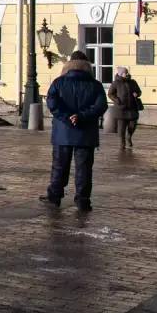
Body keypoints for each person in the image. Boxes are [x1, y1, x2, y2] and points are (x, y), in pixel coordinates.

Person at [39, 51, 108, 212]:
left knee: (59, 166)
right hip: (86, 133)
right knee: (84, 169)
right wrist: (81, 116)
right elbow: (101, 106)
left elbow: (52, 103)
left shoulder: (58, 82)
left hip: (63, 132)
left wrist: (67, 117)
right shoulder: (95, 85)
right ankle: (83, 200)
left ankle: (54, 197)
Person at [108, 66, 142, 149]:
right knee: (121, 128)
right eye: (125, 73)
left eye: (127, 72)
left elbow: (139, 91)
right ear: (120, 74)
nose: (127, 74)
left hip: (132, 107)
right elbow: (110, 94)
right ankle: (122, 143)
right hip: (121, 108)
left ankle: (129, 137)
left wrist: (137, 94)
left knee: (133, 125)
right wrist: (117, 100)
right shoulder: (116, 83)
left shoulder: (133, 82)